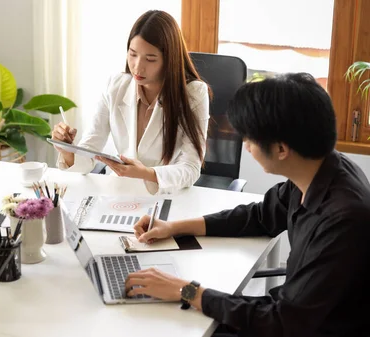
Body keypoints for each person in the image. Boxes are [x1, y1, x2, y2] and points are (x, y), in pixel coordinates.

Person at [125, 73, 370, 336]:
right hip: (286, 316)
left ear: (280, 149)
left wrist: (185, 290)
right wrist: (173, 228)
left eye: (249, 139)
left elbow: (284, 323)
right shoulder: (319, 169)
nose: (246, 146)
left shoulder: (343, 218)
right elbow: (259, 216)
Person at [52, 10, 210, 195]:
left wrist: (147, 173)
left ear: (170, 59)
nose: (137, 66)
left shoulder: (194, 93)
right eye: (133, 54)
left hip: (165, 195)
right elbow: (90, 148)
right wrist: (67, 151)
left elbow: (191, 168)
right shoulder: (116, 85)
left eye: (150, 59)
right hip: (118, 192)